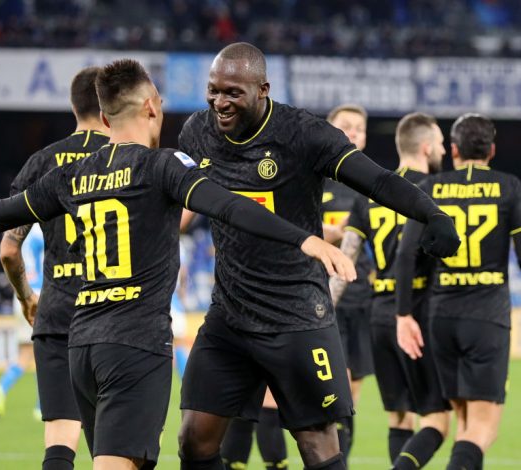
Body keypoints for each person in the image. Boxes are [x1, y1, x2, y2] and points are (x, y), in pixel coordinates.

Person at [0, 59, 357, 470]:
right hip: (135, 345)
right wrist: (304, 240)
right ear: (151, 107)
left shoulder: (71, 174)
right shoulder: (163, 166)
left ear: (102, 118)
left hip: (82, 345)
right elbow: (230, 205)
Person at [176, 42, 460, 470]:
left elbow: (378, 181)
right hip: (229, 314)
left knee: (318, 448)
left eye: (233, 92)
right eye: (214, 90)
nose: (220, 102)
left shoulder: (303, 134)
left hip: (296, 313)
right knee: (193, 441)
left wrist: (431, 213)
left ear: (263, 89)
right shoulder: (197, 132)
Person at [0, 66, 110, 470]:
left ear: (73, 107)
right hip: (116, 314)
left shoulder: (42, 161)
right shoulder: (129, 157)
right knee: (117, 446)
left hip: (57, 313)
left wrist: (27, 297)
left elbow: (9, 251)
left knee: (60, 442)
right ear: (111, 106)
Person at [396, 113, 521, 470]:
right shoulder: (509, 186)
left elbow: (406, 255)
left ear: (453, 150)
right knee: (482, 430)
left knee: (464, 425)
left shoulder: (430, 187)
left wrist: (403, 314)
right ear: (492, 150)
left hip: (441, 318)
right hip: (487, 318)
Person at [331, 112, 450, 469]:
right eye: (440, 143)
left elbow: (346, 257)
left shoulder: (368, 194)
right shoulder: (435, 190)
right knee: (436, 419)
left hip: (379, 316)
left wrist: (324, 310)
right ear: (426, 147)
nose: (443, 149)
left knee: (399, 416)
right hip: (418, 313)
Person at [321, 103, 375, 463]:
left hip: (363, 296)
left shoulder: (372, 184)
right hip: (325, 296)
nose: (353, 132)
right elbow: (298, 228)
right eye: (346, 126)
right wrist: (339, 232)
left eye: (359, 128)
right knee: (334, 387)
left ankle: (343, 460)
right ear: (330, 130)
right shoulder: (315, 179)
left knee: (353, 391)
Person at [0, 224, 44, 420]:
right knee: (46, 353)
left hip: (20, 294)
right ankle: (41, 406)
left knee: (26, 354)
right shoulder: (43, 230)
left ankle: (1, 387)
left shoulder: (19, 228)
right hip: (39, 294)